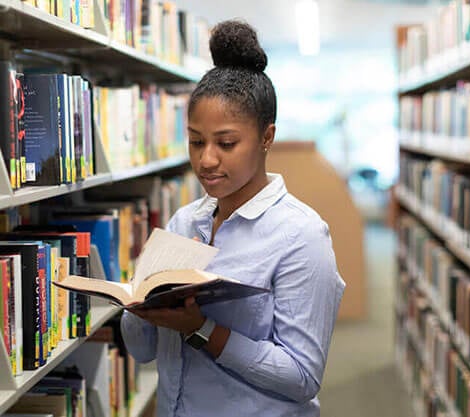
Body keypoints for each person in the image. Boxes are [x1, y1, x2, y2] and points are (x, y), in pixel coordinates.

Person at [121, 19, 345, 417]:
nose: (206, 160)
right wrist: (139, 299)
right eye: (195, 141)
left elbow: (302, 378)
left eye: (226, 143)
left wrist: (200, 328)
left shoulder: (302, 236)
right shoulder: (183, 223)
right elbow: (141, 352)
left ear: (266, 137)